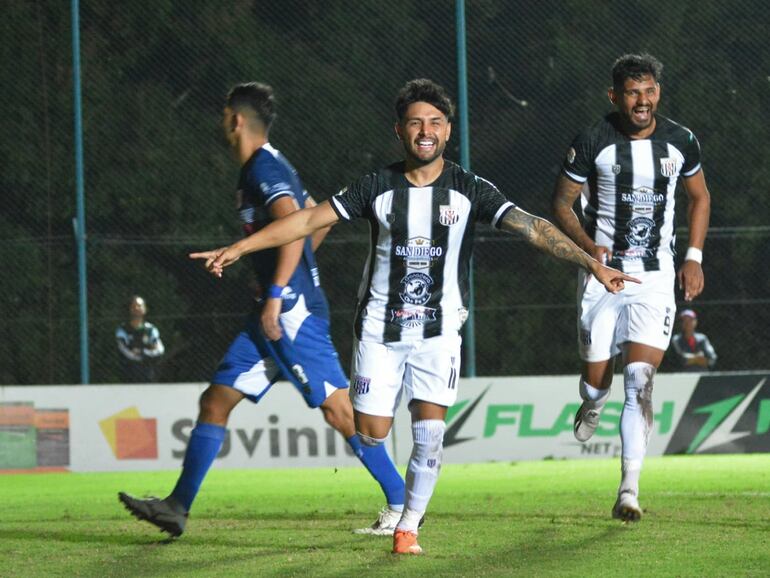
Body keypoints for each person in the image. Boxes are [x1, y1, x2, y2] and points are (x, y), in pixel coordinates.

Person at [190, 79, 637, 554]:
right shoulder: (375, 186)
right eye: (416, 122)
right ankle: (397, 500)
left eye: (436, 123)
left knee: (429, 434)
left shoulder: (468, 188)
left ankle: (408, 528)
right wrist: (240, 246)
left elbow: (532, 227)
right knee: (370, 431)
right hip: (380, 333)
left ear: (448, 132)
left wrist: (592, 262)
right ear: (400, 131)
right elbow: (305, 220)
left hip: (439, 332)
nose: (426, 131)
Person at [118, 82, 406, 538]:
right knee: (216, 399)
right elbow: (314, 214)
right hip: (270, 312)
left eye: (223, 116)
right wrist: (290, 274)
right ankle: (176, 508)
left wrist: (279, 290)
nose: (221, 124)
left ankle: (403, 503)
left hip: (287, 313)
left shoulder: (262, 168)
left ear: (235, 120)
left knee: (338, 410)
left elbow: (294, 223)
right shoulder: (273, 164)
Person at [551, 53, 711, 521]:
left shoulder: (681, 141)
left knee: (639, 383)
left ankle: (628, 489)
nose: (642, 101)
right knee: (597, 382)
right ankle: (591, 403)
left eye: (649, 91)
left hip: (656, 277)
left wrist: (693, 258)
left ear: (658, 92)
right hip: (603, 276)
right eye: (632, 92)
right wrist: (587, 249)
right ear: (615, 96)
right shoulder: (593, 141)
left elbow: (699, 197)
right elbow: (561, 202)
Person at [115, 295, 165, 382]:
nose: (137, 308)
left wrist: (142, 352)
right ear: (130, 309)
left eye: (140, 305)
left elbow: (159, 350)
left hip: (149, 375)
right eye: (134, 305)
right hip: (128, 376)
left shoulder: (151, 329)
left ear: (145, 309)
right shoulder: (122, 330)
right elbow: (125, 352)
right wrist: (146, 353)